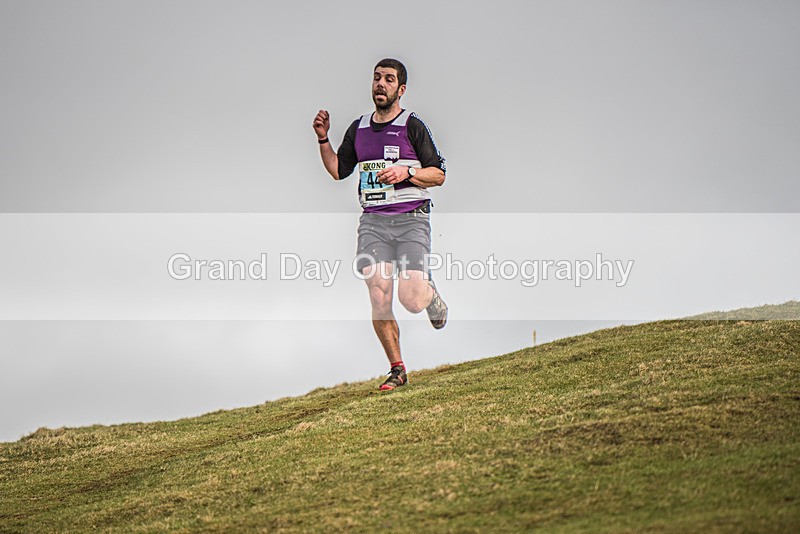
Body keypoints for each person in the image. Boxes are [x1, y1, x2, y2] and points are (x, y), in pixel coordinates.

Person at [312, 58, 448, 391]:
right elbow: (338, 170)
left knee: (411, 300)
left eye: (388, 79)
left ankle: (430, 295)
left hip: (411, 219)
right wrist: (323, 139)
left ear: (401, 89)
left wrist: (407, 172)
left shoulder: (412, 125)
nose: (380, 84)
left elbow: (439, 175)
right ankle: (397, 369)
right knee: (378, 293)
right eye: (376, 78)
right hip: (373, 222)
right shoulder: (358, 129)